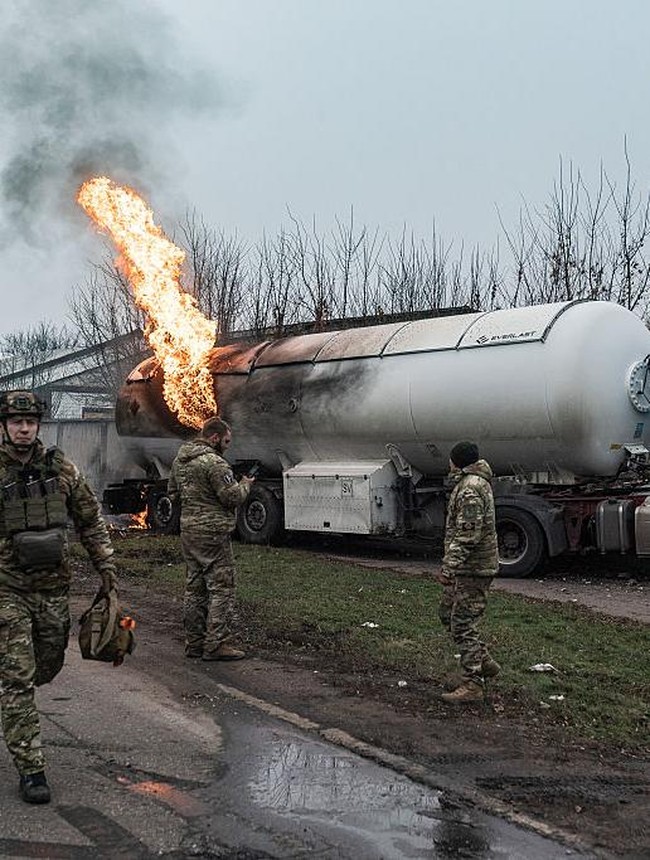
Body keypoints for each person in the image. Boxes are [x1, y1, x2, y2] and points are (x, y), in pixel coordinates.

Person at [0, 390, 118, 804]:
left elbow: (90, 519)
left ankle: (13, 699)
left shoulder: (61, 468)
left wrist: (107, 568)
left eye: (30, 421)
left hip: (52, 589)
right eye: (16, 422)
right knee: (18, 678)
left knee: (46, 664)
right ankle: (31, 770)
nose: (24, 427)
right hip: (6, 590)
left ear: (39, 424)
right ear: (4, 425)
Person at [168, 415, 254, 662]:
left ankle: (194, 644)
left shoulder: (180, 461)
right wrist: (245, 485)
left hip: (189, 532)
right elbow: (232, 498)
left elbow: (172, 493)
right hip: (213, 534)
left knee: (194, 588)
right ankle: (215, 644)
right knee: (221, 588)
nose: (227, 446)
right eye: (226, 441)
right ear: (214, 438)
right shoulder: (215, 464)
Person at [435, 441, 499, 704]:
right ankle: (484, 661)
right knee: (446, 613)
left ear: (456, 462)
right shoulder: (470, 483)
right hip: (467, 567)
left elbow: (468, 534)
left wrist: (449, 567)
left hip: (472, 568)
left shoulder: (470, 488)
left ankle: (472, 684)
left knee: (462, 624)